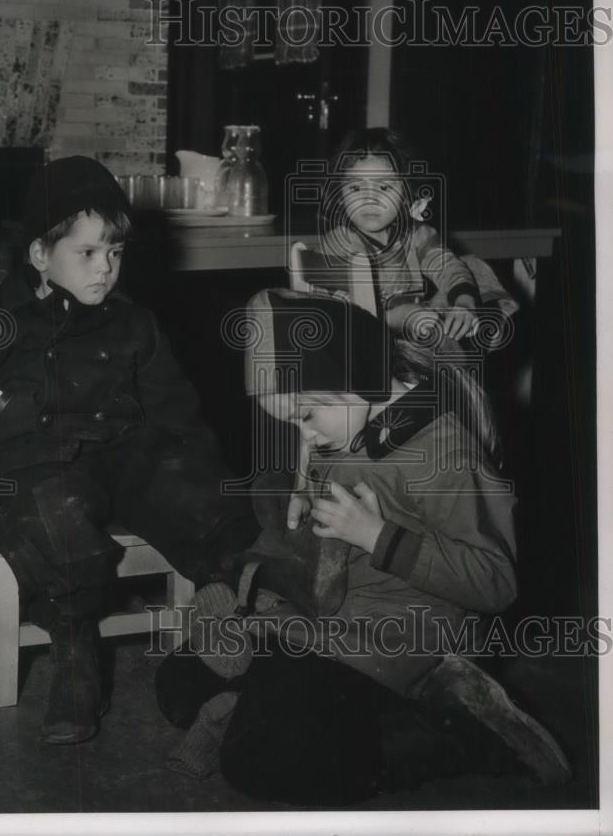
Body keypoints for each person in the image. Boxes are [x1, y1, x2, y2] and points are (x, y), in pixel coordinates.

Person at [0, 156, 259, 745]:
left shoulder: (135, 324)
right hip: (32, 467)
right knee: (57, 519)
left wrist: (199, 476)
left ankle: (234, 605)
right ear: (39, 255)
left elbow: (176, 414)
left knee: (193, 486)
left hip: (120, 452)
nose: (105, 269)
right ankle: (74, 647)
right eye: (87, 254)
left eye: (115, 253)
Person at [189, 288, 571, 789]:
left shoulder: (441, 452)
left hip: (409, 639)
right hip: (339, 617)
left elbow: (496, 582)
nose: (304, 436)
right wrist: (306, 491)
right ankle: (261, 691)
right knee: (181, 684)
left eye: (306, 416)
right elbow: (329, 468)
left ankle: (471, 737)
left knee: (260, 762)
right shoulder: (346, 422)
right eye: (290, 422)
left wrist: (375, 535)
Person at [316, 127, 517, 341]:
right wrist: (394, 318)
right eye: (355, 188)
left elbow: (447, 266)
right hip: (365, 339)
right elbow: (337, 310)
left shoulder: (416, 233)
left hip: (419, 320)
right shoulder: (337, 244)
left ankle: (479, 314)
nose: (369, 199)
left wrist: (464, 303)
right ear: (339, 195)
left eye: (384, 187)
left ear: (406, 193)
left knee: (470, 265)